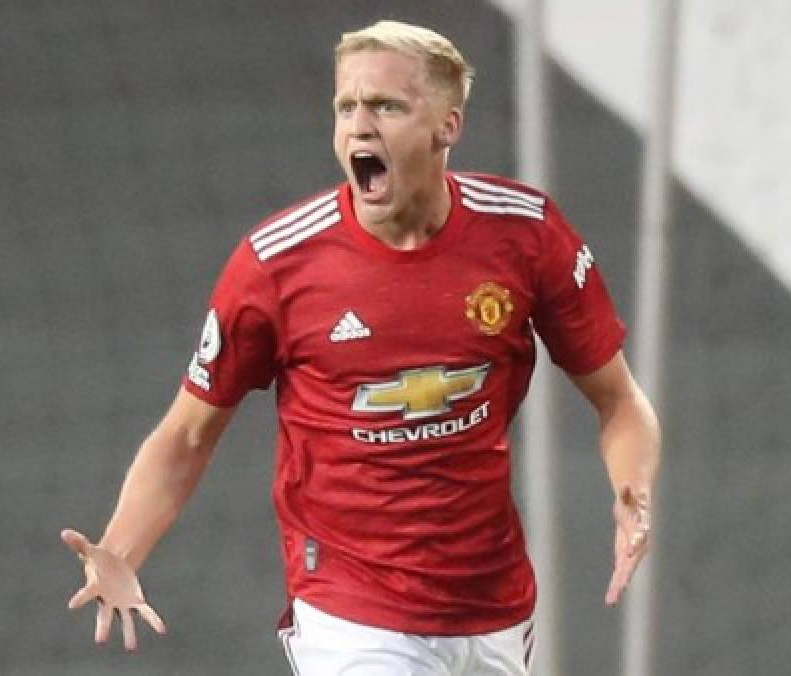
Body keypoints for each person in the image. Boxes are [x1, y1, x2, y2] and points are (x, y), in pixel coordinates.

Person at [61, 19, 660, 675]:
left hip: (493, 604)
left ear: (447, 127)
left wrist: (633, 489)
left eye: (386, 106)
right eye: (346, 107)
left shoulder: (526, 233)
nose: (360, 127)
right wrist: (120, 548)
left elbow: (619, 400)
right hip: (349, 611)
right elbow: (187, 435)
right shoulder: (277, 264)